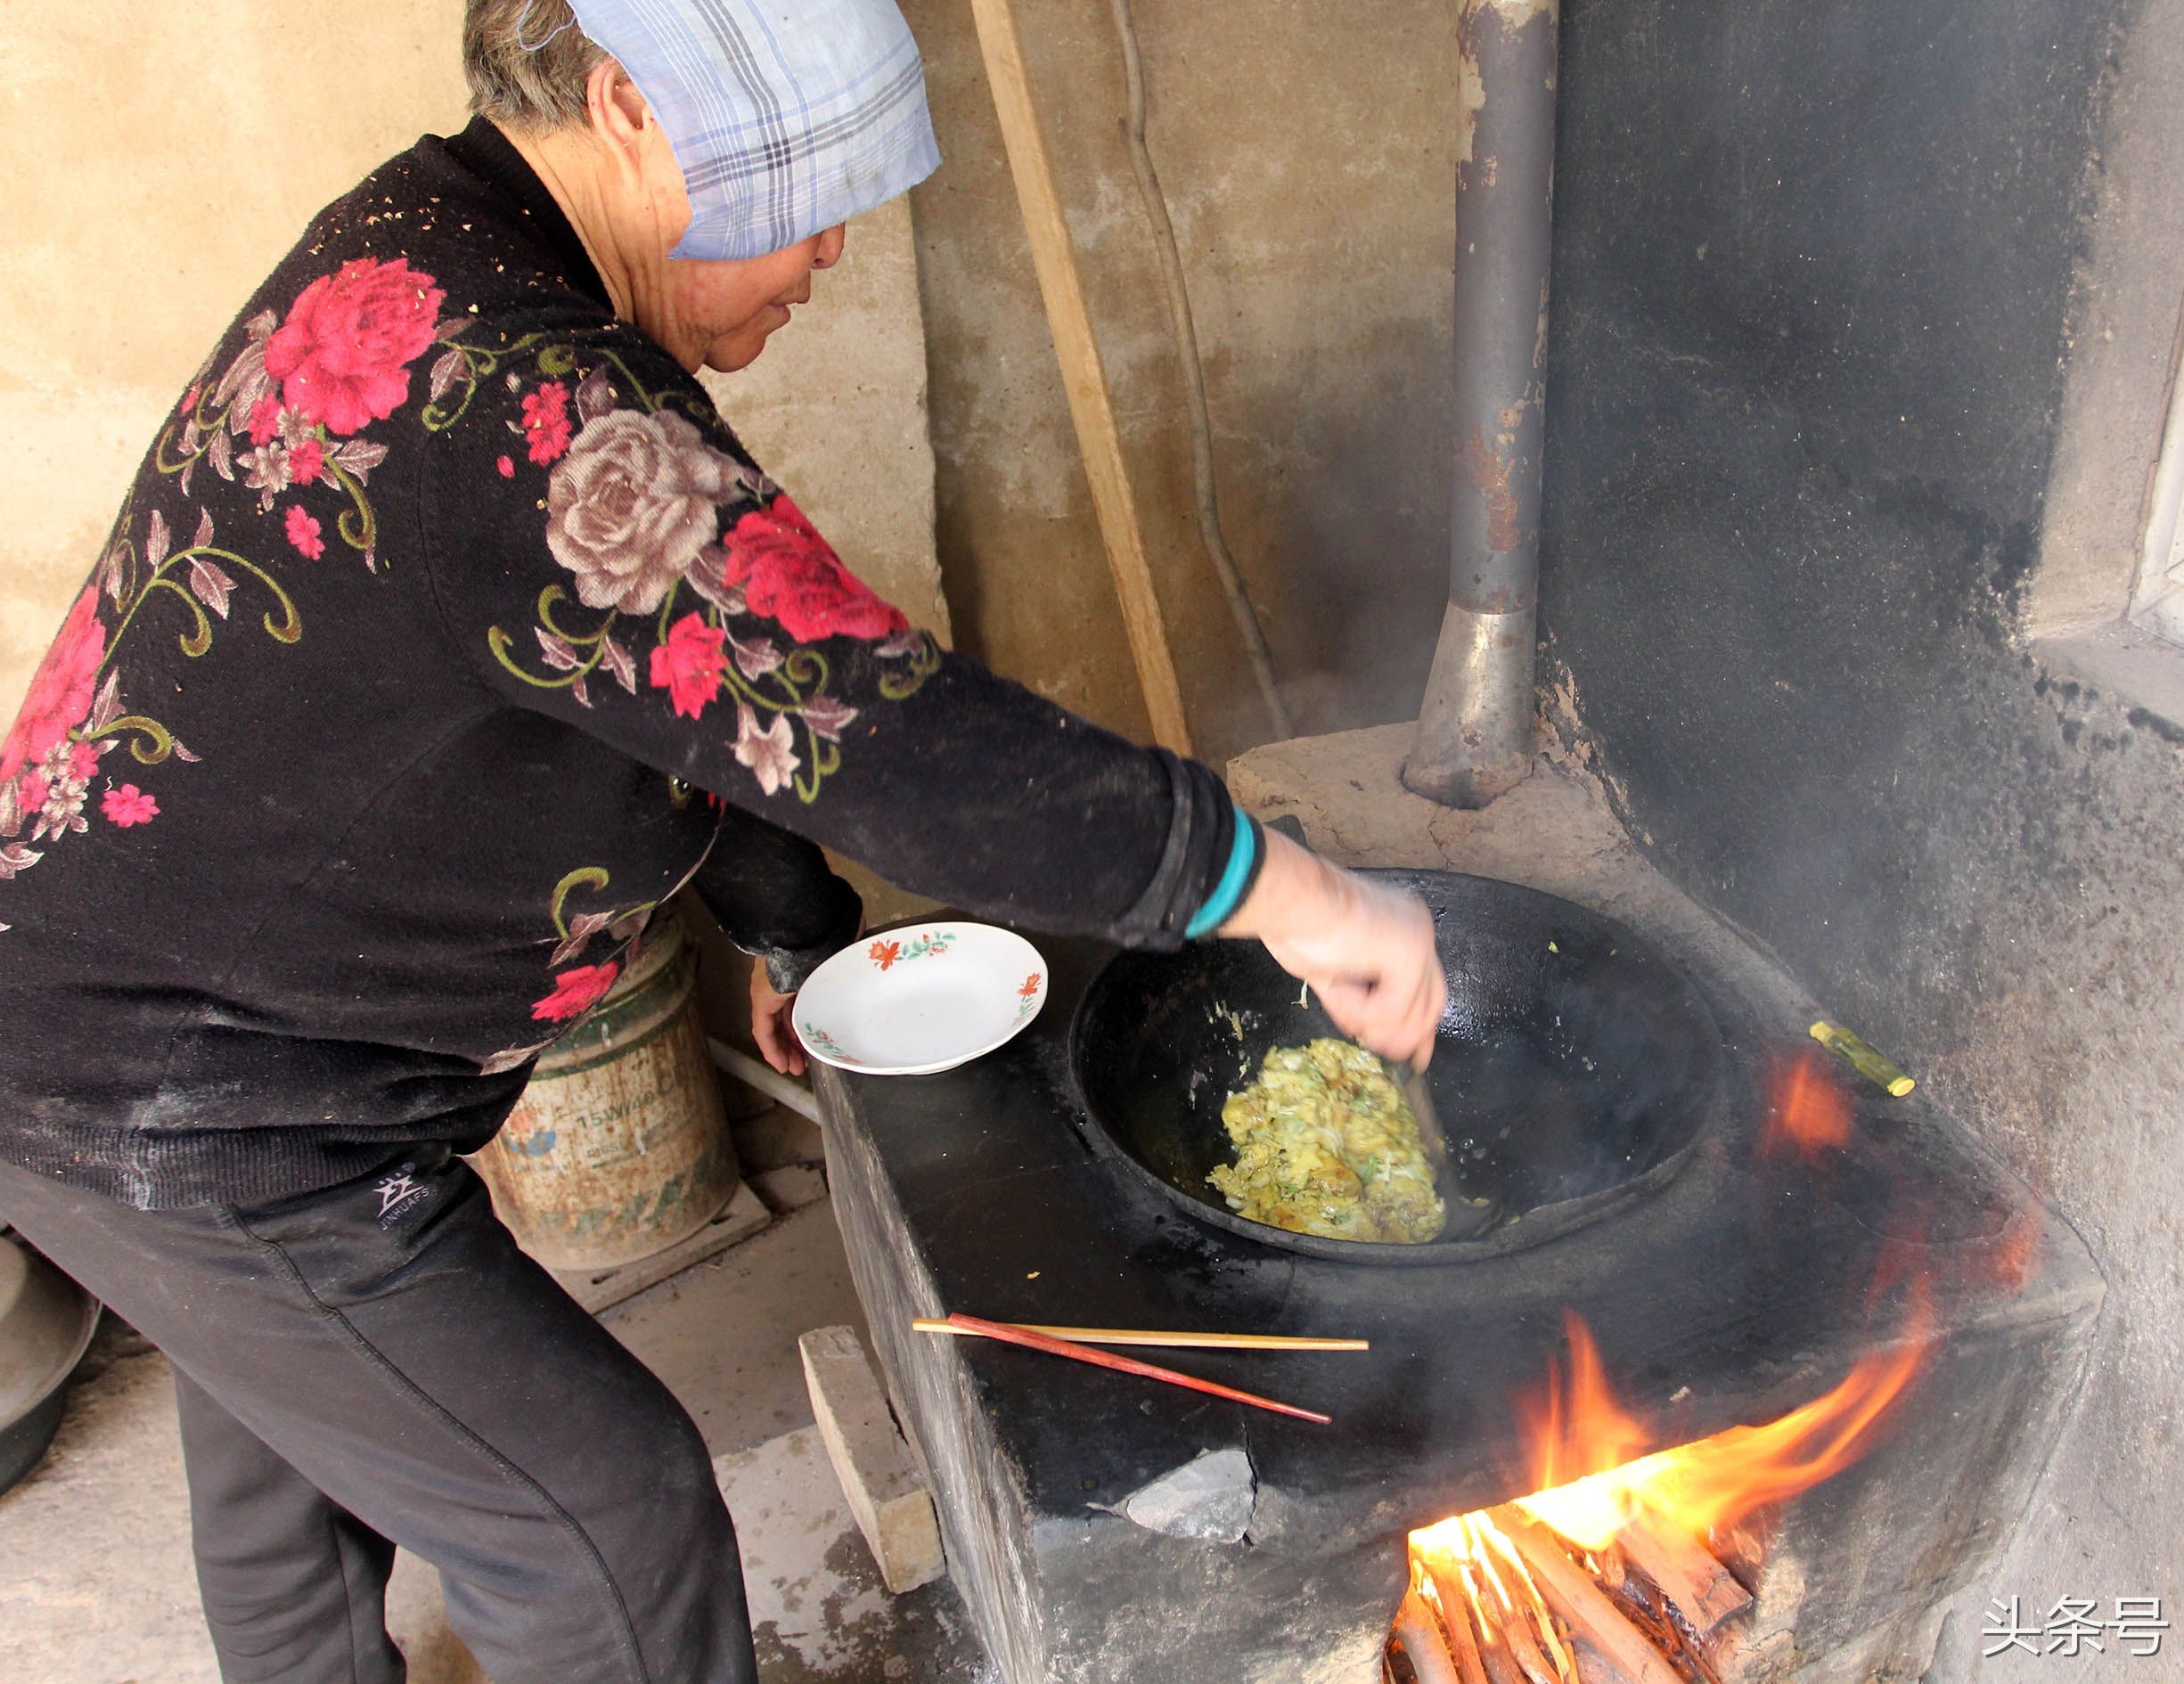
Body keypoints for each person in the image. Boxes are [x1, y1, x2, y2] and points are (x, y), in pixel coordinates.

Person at [0, 3, 1445, 1680]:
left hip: (108, 1001)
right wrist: (1287, 890)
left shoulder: (448, 243)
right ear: (628, 106)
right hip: (210, 1100)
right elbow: (854, 715)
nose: (829, 249)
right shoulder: (509, 397)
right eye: (809, 194)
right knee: (600, 1526)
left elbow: (663, 671)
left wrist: (791, 927)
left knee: (301, 1472)